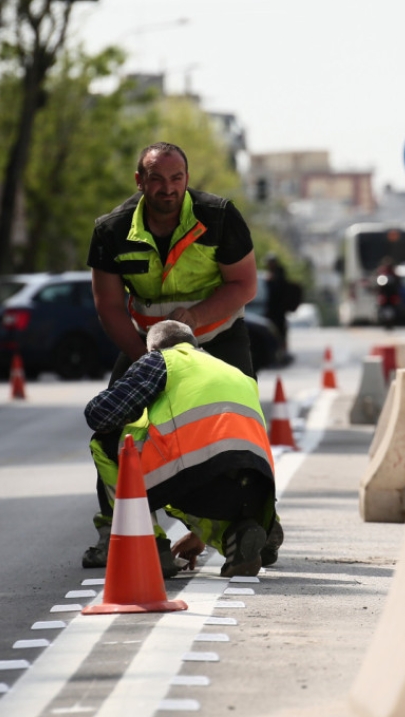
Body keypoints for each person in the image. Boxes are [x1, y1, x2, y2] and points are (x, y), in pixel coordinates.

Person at [83, 142, 261, 568]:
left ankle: (252, 526)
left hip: (217, 339)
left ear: (187, 178)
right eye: (157, 179)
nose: (168, 188)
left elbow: (244, 285)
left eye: (176, 178)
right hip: (148, 345)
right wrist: (144, 359)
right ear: (139, 181)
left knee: (231, 429)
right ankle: (123, 533)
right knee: (118, 431)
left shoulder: (218, 217)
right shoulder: (112, 229)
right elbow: (108, 304)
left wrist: (196, 317)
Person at [84, 320, 283, 578]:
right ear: (194, 344)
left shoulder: (161, 360)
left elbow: (100, 415)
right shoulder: (236, 373)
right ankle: (240, 534)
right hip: (256, 487)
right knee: (194, 471)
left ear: (154, 348)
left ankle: (149, 546)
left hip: (195, 475)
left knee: (105, 442)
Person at [262, 252, 301, 354]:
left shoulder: (277, 276)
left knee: (278, 332)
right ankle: (278, 351)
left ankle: (280, 351)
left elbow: (276, 291)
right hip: (275, 310)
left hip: (277, 310)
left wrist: (270, 281)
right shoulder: (274, 275)